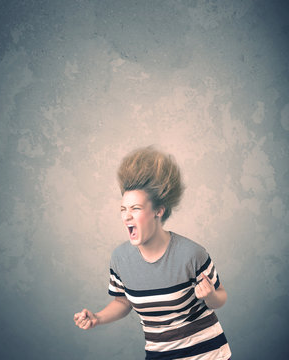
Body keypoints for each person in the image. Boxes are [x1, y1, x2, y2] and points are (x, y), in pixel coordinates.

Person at [74, 146, 232, 360]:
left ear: (159, 211)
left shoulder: (191, 254)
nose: (126, 216)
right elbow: (123, 302)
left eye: (135, 208)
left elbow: (220, 297)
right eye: (123, 209)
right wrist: (97, 318)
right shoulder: (120, 259)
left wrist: (210, 295)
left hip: (207, 354)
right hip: (159, 355)